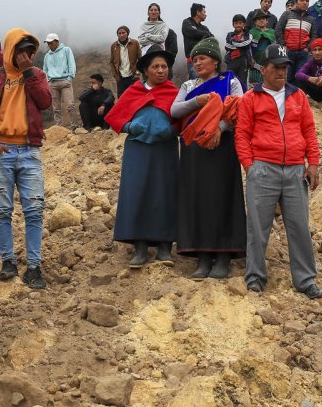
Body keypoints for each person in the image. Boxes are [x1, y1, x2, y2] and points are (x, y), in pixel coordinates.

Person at [236, 44, 322, 300]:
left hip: (296, 170)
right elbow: (242, 134)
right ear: (262, 69)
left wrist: (314, 163)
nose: (281, 72)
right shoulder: (250, 99)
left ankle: (306, 280)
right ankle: (255, 278)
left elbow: (309, 130)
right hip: (263, 168)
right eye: (276, 67)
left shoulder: (297, 96)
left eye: (285, 67)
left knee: (299, 226)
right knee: (257, 226)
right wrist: (250, 167)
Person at [0, 28, 53, 290]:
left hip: (30, 151)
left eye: (30, 51)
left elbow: (45, 102)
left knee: (34, 211)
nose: (26, 55)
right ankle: (8, 261)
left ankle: (34, 266)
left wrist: (29, 72)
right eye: (21, 50)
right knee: (2, 211)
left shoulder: (37, 74)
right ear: (10, 50)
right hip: (3, 151)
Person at [166, 39, 246, 279]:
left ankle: (223, 256)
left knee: (222, 197)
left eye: (202, 58)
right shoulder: (189, 85)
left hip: (221, 146)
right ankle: (202, 256)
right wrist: (197, 102)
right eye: (195, 59)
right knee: (197, 198)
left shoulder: (230, 82)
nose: (197, 62)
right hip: (193, 147)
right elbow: (174, 110)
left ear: (215, 61)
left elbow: (237, 109)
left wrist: (219, 128)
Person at [105, 49, 180, 270]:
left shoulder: (173, 92)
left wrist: (172, 129)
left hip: (164, 149)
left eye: (164, 66)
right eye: (155, 67)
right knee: (137, 192)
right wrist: (130, 126)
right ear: (145, 70)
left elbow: (183, 119)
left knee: (164, 192)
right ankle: (140, 245)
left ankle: (165, 245)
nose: (160, 70)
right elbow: (116, 118)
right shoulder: (134, 91)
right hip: (137, 149)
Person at [276, 0, 317, 75]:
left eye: (307, 1)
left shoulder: (311, 19)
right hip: (288, 52)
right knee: (287, 77)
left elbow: (314, 35)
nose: (305, 2)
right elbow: (278, 30)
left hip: (303, 53)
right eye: (302, 0)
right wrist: (283, 45)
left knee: (300, 77)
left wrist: (308, 48)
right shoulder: (287, 14)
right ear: (296, 2)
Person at [42, 33, 77, 130]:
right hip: (52, 83)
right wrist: (48, 80)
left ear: (56, 41)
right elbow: (45, 69)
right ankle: (58, 128)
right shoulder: (47, 56)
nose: (49, 45)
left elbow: (71, 64)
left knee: (70, 105)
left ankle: (74, 127)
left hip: (65, 81)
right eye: (48, 43)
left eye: (51, 42)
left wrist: (70, 78)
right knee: (56, 108)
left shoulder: (66, 50)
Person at [223, 14, 255, 91]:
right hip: (231, 61)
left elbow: (247, 43)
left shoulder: (248, 34)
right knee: (230, 81)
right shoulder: (229, 34)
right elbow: (227, 46)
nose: (238, 25)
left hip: (243, 61)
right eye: (236, 23)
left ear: (244, 24)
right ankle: (230, 99)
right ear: (233, 24)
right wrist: (241, 45)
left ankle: (243, 99)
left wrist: (234, 42)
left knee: (242, 82)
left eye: (240, 23)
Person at [182, 3, 214, 78]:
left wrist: (199, 33)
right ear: (198, 12)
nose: (205, 14)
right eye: (204, 12)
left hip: (206, 60)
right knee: (195, 84)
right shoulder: (187, 22)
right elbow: (191, 32)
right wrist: (204, 35)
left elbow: (211, 38)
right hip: (192, 60)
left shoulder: (204, 28)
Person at [109, 26, 141, 95]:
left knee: (134, 97)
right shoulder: (114, 46)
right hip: (120, 78)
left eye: (123, 33)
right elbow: (111, 62)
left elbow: (140, 59)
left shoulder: (135, 43)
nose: (121, 35)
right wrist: (116, 76)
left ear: (127, 33)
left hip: (133, 76)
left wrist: (137, 73)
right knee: (121, 98)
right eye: (119, 33)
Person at [248, 12, 276, 90]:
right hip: (255, 63)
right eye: (259, 19)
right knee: (254, 87)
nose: (261, 20)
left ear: (267, 21)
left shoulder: (272, 32)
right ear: (255, 21)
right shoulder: (251, 32)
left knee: (268, 85)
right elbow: (248, 48)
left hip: (269, 62)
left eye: (263, 18)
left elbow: (275, 47)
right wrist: (250, 59)